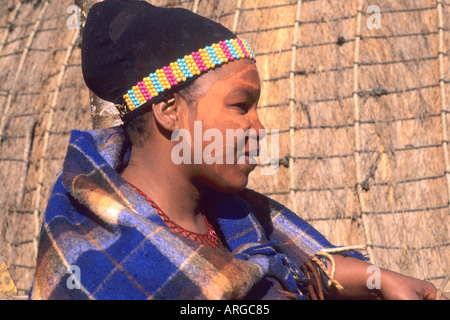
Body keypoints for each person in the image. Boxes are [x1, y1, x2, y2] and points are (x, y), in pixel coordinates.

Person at [29, 0, 445, 300]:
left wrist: (376, 278)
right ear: (169, 110)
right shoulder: (99, 268)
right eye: (240, 105)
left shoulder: (236, 220)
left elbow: (292, 271)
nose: (259, 128)